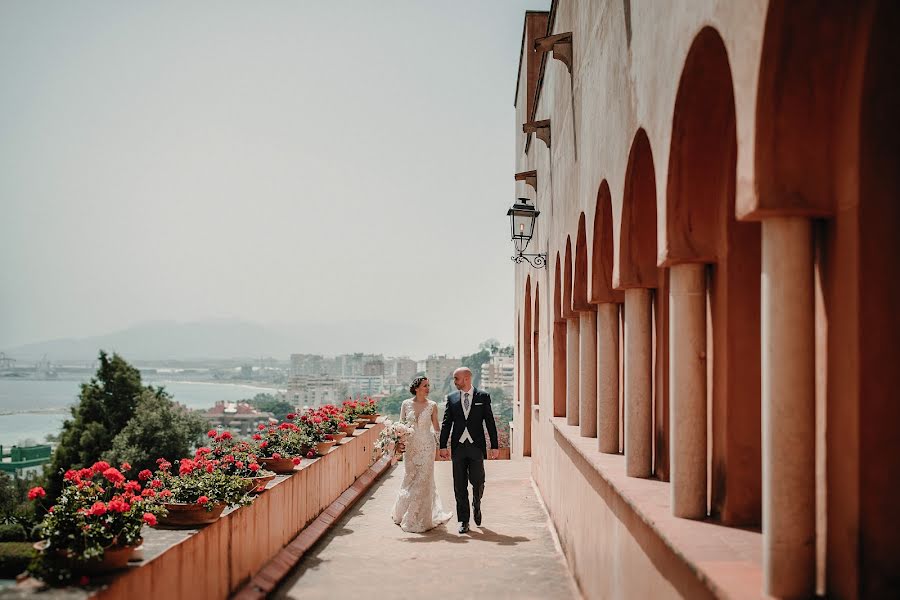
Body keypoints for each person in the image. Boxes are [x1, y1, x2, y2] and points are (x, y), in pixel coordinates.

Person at [439, 367, 499, 534]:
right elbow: (446, 424)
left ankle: (476, 503)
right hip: (458, 447)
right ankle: (463, 521)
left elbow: (490, 422)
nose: (454, 382)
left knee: (478, 481)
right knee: (459, 485)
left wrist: (494, 446)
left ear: (466, 378)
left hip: (476, 447)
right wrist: (443, 445)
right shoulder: (451, 398)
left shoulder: (483, 397)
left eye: (456, 378)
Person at [390, 376, 452, 532]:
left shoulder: (432, 405)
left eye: (429, 385)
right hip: (411, 447)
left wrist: (442, 446)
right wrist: (399, 442)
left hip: (426, 446)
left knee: (424, 480)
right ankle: (402, 512)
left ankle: (419, 518)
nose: (428, 388)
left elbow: (436, 428)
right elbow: (401, 425)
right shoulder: (406, 404)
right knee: (410, 477)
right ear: (416, 388)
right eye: (425, 385)